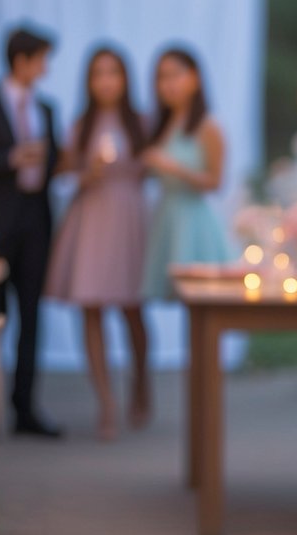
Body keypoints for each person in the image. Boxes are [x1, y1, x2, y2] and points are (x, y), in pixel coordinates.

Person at [46, 48, 149, 440]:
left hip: (128, 220)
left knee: (133, 309)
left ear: (125, 79)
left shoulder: (141, 123)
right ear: (88, 81)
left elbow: (148, 171)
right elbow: (63, 172)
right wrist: (86, 173)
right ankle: (105, 402)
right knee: (91, 308)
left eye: (113, 72)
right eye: (98, 73)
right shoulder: (80, 126)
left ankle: (141, 379)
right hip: (90, 218)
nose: (106, 80)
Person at [0, 26, 60, 436]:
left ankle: (25, 408)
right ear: (21, 60)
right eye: (40, 59)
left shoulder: (46, 108)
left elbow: (55, 158)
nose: (45, 68)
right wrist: (11, 157)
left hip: (36, 221)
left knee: (32, 316)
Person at [141, 48, 230, 299]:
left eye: (175, 75)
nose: (168, 85)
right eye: (161, 78)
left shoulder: (208, 126)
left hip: (194, 220)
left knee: (202, 301)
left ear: (194, 78)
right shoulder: (161, 125)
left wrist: (176, 169)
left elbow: (216, 181)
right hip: (166, 216)